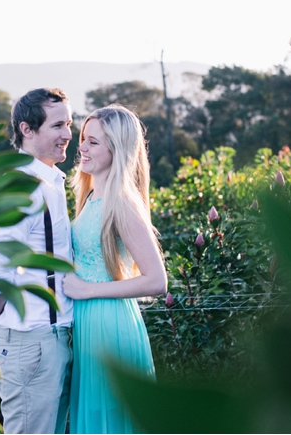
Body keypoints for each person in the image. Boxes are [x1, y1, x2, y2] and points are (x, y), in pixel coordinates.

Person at [0, 88, 75, 434]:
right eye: (57, 125)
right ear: (26, 129)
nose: (67, 135)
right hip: (31, 346)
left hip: (51, 341)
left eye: (69, 124)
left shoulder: (52, 183)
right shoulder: (18, 190)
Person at [62, 104, 167, 434]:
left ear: (116, 148)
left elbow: (157, 280)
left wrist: (88, 289)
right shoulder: (92, 196)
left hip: (110, 324)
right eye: (83, 138)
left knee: (111, 420)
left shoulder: (121, 202)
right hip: (88, 324)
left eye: (93, 142)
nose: (81, 148)